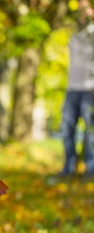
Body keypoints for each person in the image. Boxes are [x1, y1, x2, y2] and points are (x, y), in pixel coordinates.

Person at [60, 0, 94, 176]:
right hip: (72, 88)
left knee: (90, 130)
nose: (82, 14)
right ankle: (70, 166)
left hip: (91, 89)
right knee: (66, 128)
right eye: (79, 10)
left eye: (85, 10)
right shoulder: (74, 35)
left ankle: (90, 168)